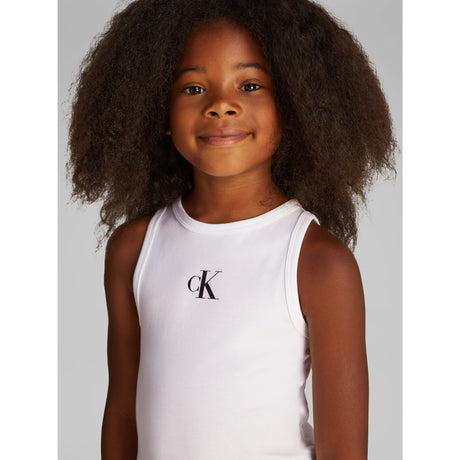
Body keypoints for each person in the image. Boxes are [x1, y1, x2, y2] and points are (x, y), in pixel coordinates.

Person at [68, 0, 396, 458]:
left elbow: (345, 451)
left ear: (294, 106)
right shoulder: (134, 249)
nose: (221, 105)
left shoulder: (318, 263)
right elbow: (123, 412)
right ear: (158, 109)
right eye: (193, 88)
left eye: (250, 85)